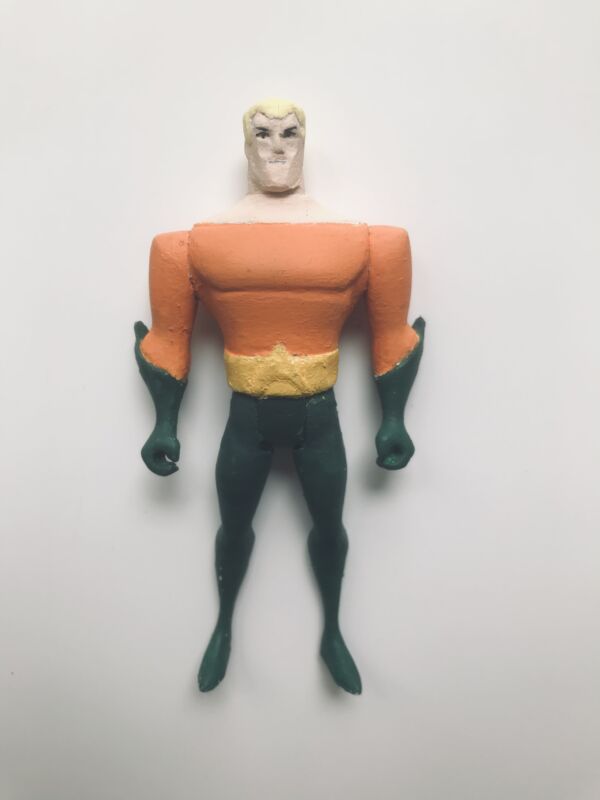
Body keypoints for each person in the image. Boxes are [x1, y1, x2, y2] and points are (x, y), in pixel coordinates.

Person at [134, 97, 425, 694]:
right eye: (263, 134)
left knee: (330, 526)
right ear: (246, 144)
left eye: (288, 133)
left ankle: (332, 632)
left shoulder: (368, 242)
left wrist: (394, 417)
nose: (276, 147)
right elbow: (168, 338)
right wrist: (164, 424)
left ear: (303, 141)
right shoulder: (188, 246)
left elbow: (392, 333)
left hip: (320, 414)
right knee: (233, 527)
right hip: (246, 416)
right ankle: (223, 626)